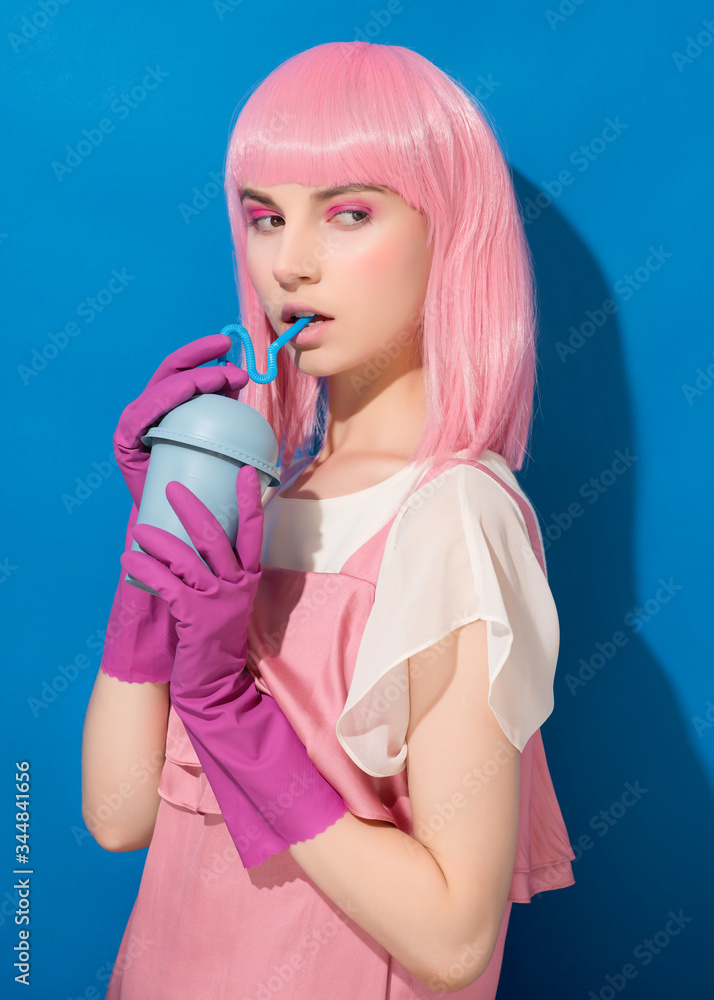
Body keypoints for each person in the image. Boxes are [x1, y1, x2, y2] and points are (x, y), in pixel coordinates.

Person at [81, 40, 576, 999]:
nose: (291, 265)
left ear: (450, 232)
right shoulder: (262, 497)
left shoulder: (455, 517)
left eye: (349, 214)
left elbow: (453, 939)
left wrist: (228, 709)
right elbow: (117, 815)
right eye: (265, 217)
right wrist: (152, 556)